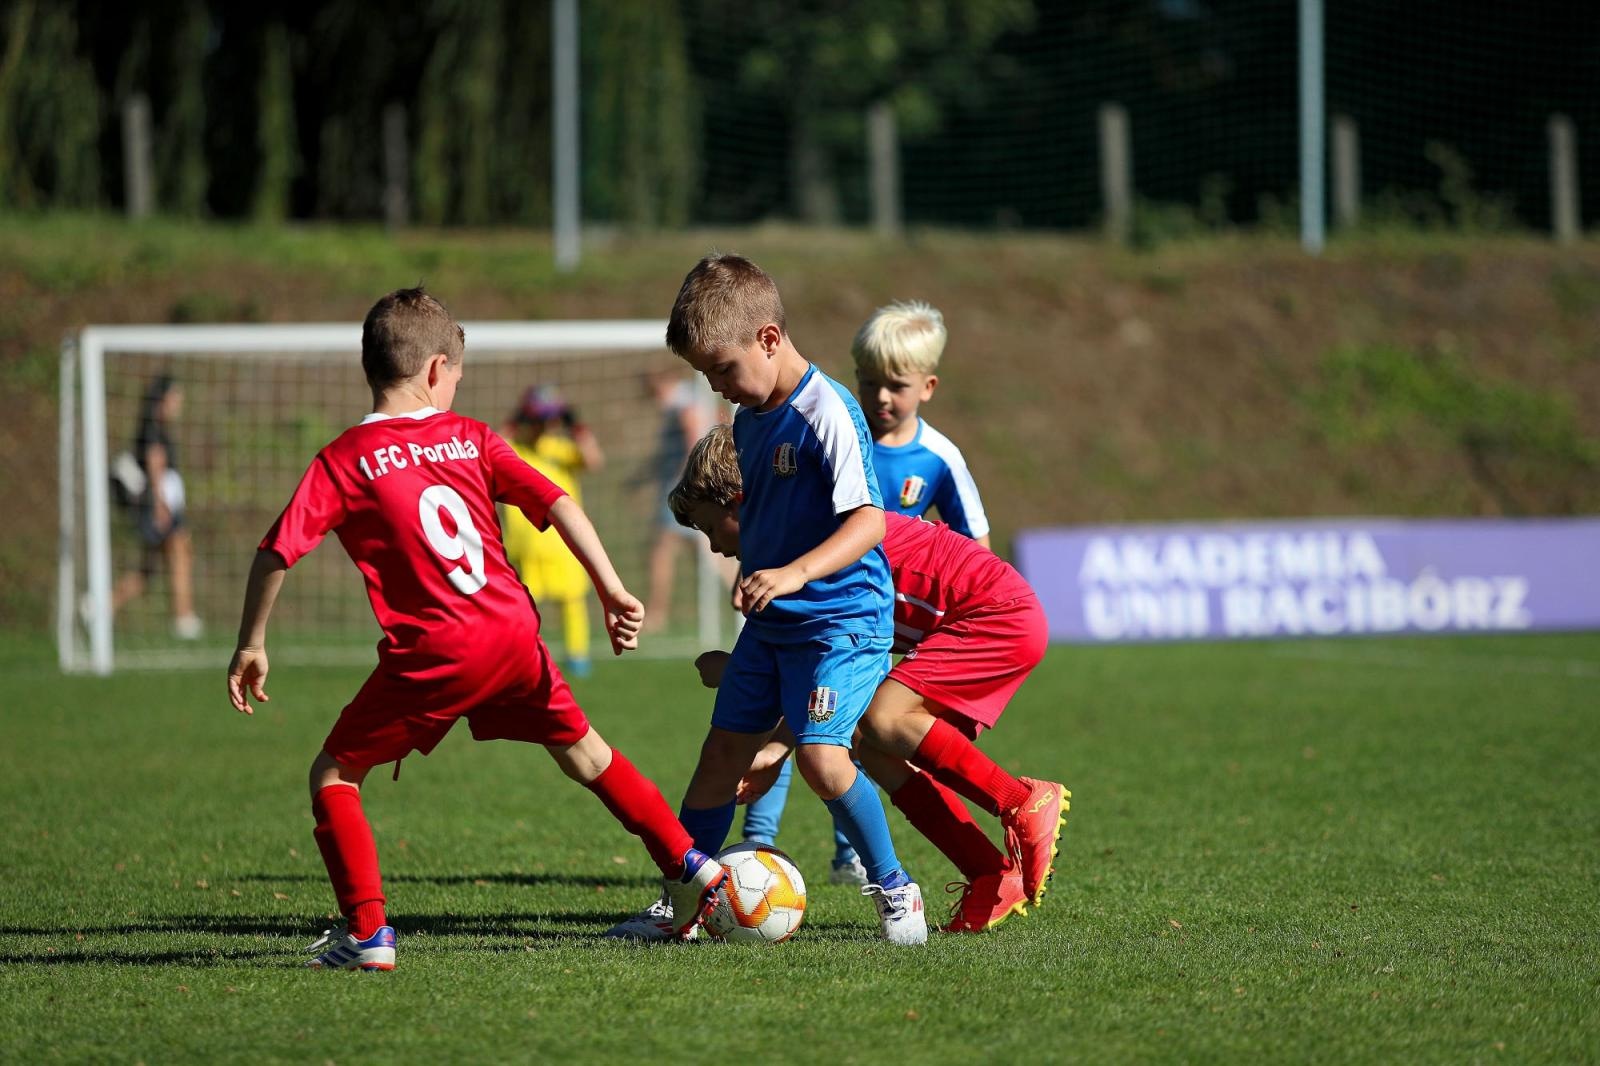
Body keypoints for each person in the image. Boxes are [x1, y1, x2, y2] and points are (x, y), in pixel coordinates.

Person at [224, 287, 725, 970]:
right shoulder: (471, 437)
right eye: (457, 372)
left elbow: (276, 550)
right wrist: (610, 587)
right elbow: (558, 500)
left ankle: (369, 935)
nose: (458, 384)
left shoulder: (343, 460)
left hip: (436, 648)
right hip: (513, 633)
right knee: (586, 753)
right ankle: (690, 866)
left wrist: (252, 642)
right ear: (434, 371)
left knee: (334, 774)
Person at [609, 253, 927, 945]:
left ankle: (896, 889)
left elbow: (869, 521)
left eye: (723, 369)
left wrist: (793, 573)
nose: (718, 386)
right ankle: (682, 897)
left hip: (843, 619)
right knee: (721, 754)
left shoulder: (829, 410)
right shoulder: (750, 422)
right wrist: (755, 570)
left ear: (769, 340)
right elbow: (769, 515)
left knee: (820, 757)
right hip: (776, 623)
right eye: (705, 375)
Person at [671, 425, 1068, 934]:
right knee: (869, 740)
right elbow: (829, 682)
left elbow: (818, 669)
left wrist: (739, 682)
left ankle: (1019, 799)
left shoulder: (811, 551)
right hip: (978, 617)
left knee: (882, 719)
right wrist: (775, 748)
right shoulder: (790, 554)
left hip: (996, 615)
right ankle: (988, 871)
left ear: (742, 501)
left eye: (712, 530)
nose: (715, 550)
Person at [741, 299, 992, 878]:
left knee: (839, 729)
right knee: (778, 711)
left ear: (927, 387)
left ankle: (849, 854)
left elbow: (974, 547)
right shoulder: (835, 425)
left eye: (894, 386)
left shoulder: (938, 458)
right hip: (800, 601)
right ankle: (759, 841)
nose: (879, 396)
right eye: (868, 381)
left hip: (873, 617)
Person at [500, 386, 604, 678]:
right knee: (522, 606)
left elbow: (593, 460)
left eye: (549, 420)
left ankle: (578, 656)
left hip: (562, 544)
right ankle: (520, 655)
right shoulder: (514, 450)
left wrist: (577, 426)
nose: (544, 427)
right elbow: (496, 442)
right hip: (526, 547)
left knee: (572, 600)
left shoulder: (559, 450)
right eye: (538, 420)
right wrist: (516, 418)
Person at [109, 374, 203, 639]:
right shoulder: (152, 431)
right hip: (159, 507)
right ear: (161, 400)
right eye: (174, 398)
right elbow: (155, 464)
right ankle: (183, 617)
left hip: (162, 505)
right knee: (180, 554)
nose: (178, 404)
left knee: (148, 570)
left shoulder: (156, 428)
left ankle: (102, 606)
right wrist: (161, 505)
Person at [641, 366, 712, 633]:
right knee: (707, 551)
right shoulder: (689, 398)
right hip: (691, 485)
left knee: (661, 550)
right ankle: (743, 599)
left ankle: (657, 615)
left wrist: (684, 482)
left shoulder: (683, 403)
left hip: (683, 487)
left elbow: (693, 440)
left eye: (653, 392)